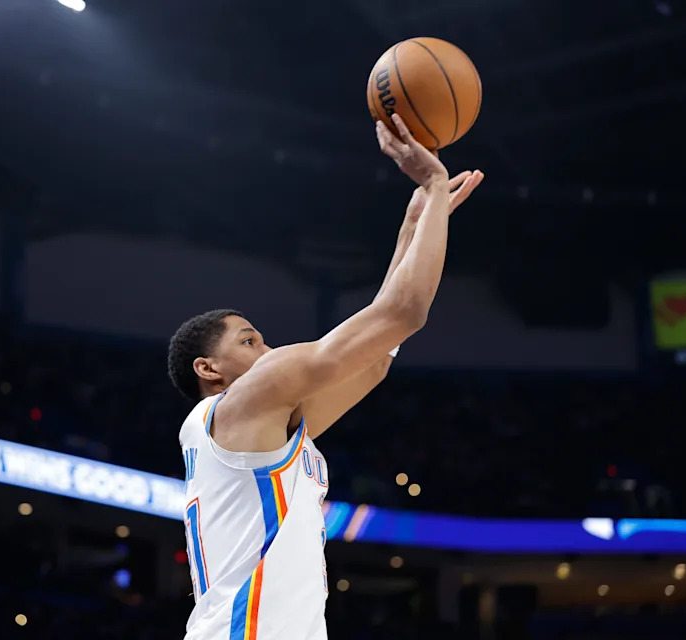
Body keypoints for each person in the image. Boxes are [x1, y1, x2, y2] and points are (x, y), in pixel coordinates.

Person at [167, 115, 484, 640]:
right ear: (208, 368)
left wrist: (412, 231)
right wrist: (432, 185)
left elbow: (375, 358)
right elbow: (403, 312)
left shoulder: (258, 428)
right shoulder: (247, 401)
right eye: (249, 341)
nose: (268, 350)